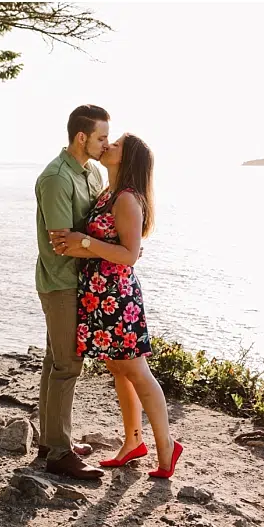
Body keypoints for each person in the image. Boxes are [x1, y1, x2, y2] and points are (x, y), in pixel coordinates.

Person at [50, 133, 184, 478]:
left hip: (117, 297)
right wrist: (78, 245)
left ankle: (166, 447)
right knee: (119, 369)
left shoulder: (126, 199)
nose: (108, 145)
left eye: (117, 144)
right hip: (100, 295)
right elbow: (98, 245)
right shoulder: (108, 193)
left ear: (127, 159)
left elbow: (129, 255)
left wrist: (84, 242)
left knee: (137, 371)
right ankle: (133, 441)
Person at [33, 104, 111, 480]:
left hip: (79, 282)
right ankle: (60, 454)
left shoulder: (93, 172)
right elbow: (63, 243)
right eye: (101, 137)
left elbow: (89, 229)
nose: (106, 144)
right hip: (60, 281)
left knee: (55, 361)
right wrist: (114, 251)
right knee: (67, 365)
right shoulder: (56, 178)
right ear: (82, 137)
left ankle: (50, 442)